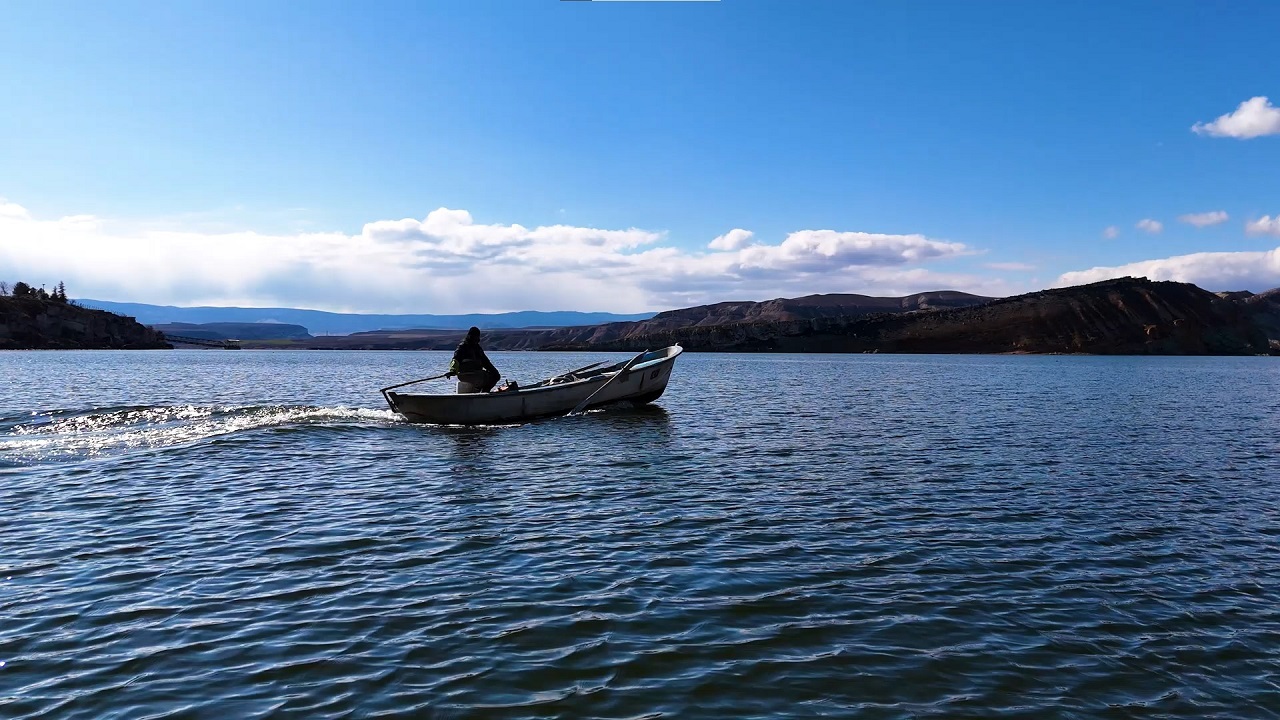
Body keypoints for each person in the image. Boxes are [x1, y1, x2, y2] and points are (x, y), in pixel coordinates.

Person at [447, 326, 500, 393]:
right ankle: (482, 393)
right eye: (475, 336)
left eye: (477, 336)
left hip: (476, 374)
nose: (476, 338)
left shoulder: (477, 348)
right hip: (466, 375)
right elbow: (455, 360)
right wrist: (453, 371)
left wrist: (494, 372)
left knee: (495, 376)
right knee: (488, 376)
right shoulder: (463, 347)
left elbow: (486, 363)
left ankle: (483, 392)